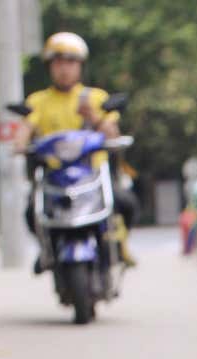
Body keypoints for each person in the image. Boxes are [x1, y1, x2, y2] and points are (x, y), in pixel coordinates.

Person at [16, 32, 138, 267]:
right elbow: (25, 128)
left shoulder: (95, 98)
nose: (64, 69)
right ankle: (46, 249)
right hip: (55, 177)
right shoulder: (38, 101)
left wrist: (94, 117)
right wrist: (19, 143)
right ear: (50, 66)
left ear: (80, 66)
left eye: (70, 63)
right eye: (59, 62)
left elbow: (113, 135)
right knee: (32, 212)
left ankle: (121, 246)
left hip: (92, 174)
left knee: (127, 203)